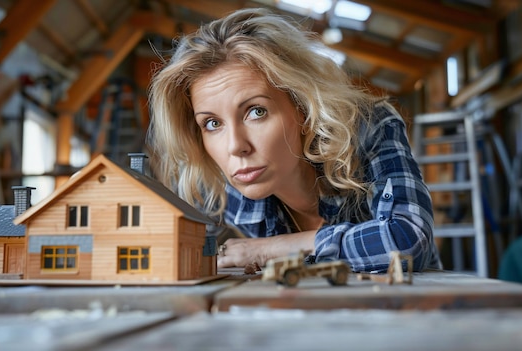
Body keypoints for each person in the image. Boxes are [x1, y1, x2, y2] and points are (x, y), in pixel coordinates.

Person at [147, 8, 442, 273]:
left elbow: (407, 240)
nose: (235, 146)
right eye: (212, 123)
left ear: (303, 107)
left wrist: (266, 249)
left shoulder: (370, 128)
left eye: (256, 111)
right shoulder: (218, 191)